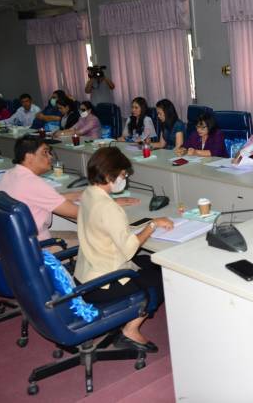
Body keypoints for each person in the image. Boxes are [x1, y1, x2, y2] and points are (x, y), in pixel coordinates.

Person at [74, 147, 172, 353]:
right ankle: (130, 330)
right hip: (103, 283)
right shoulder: (109, 208)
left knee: (149, 263)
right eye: (123, 175)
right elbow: (129, 250)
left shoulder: (88, 193)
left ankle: (127, 319)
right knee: (163, 277)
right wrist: (152, 225)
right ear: (110, 175)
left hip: (85, 276)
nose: (124, 179)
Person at [0, 136, 82, 241]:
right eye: (45, 152)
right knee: (87, 241)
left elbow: (44, 198)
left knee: (74, 235)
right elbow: (77, 212)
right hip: (37, 245)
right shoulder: (33, 183)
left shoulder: (10, 174)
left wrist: (77, 195)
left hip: (14, 242)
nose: (50, 157)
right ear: (29, 157)